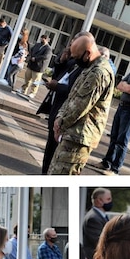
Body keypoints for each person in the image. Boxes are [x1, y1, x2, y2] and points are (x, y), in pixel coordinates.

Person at [48, 34, 114, 175]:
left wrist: (60, 124)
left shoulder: (99, 72)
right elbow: (72, 96)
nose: (76, 61)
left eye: (77, 57)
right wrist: (58, 119)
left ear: (88, 53)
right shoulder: (90, 67)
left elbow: (81, 106)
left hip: (80, 136)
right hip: (71, 132)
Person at [94, 50, 130, 175]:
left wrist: (128, 87)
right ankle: (107, 162)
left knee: (122, 140)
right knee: (114, 136)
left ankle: (115, 169)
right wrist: (128, 87)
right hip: (122, 107)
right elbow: (120, 85)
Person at [40, 43, 82, 174]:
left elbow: (74, 90)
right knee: (49, 147)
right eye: (70, 44)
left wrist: (57, 86)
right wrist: (61, 60)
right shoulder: (72, 60)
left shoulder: (84, 67)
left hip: (65, 109)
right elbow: (58, 75)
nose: (71, 47)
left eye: (74, 45)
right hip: (55, 105)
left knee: (55, 149)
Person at [16, 34, 53, 98]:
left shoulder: (48, 49)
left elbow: (45, 56)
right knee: (27, 79)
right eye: (41, 38)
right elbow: (31, 51)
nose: (42, 39)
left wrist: (36, 58)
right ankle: (23, 89)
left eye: (43, 38)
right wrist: (30, 56)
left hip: (38, 67)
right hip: (31, 65)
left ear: (47, 40)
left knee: (35, 81)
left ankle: (33, 93)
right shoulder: (37, 45)